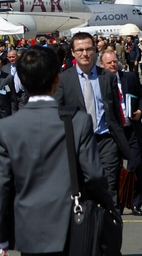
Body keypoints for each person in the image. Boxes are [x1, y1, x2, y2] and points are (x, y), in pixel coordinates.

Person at [0, 46, 116, 256]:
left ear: (21, 79)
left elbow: (1, 186)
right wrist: (109, 209)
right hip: (71, 225)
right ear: (57, 79)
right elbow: (94, 175)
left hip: (28, 228)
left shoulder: (7, 127)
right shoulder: (78, 121)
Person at [54, 32, 131, 209]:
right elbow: (58, 113)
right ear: (72, 53)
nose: (85, 53)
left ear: (95, 50)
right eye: (80, 50)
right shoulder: (64, 79)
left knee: (109, 186)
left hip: (106, 140)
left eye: (89, 49)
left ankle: (110, 224)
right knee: (82, 188)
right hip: (78, 142)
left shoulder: (108, 77)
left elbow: (114, 112)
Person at [100, 50, 142, 216]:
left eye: (115, 61)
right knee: (116, 168)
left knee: (135, 166)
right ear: (102, 65)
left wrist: (140, 111)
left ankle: (135, 203)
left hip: (132, 129)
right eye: (109, 63)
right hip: (113, 132)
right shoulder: (99, 82)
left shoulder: (129, 77)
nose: (113, 65)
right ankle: (119, 203)